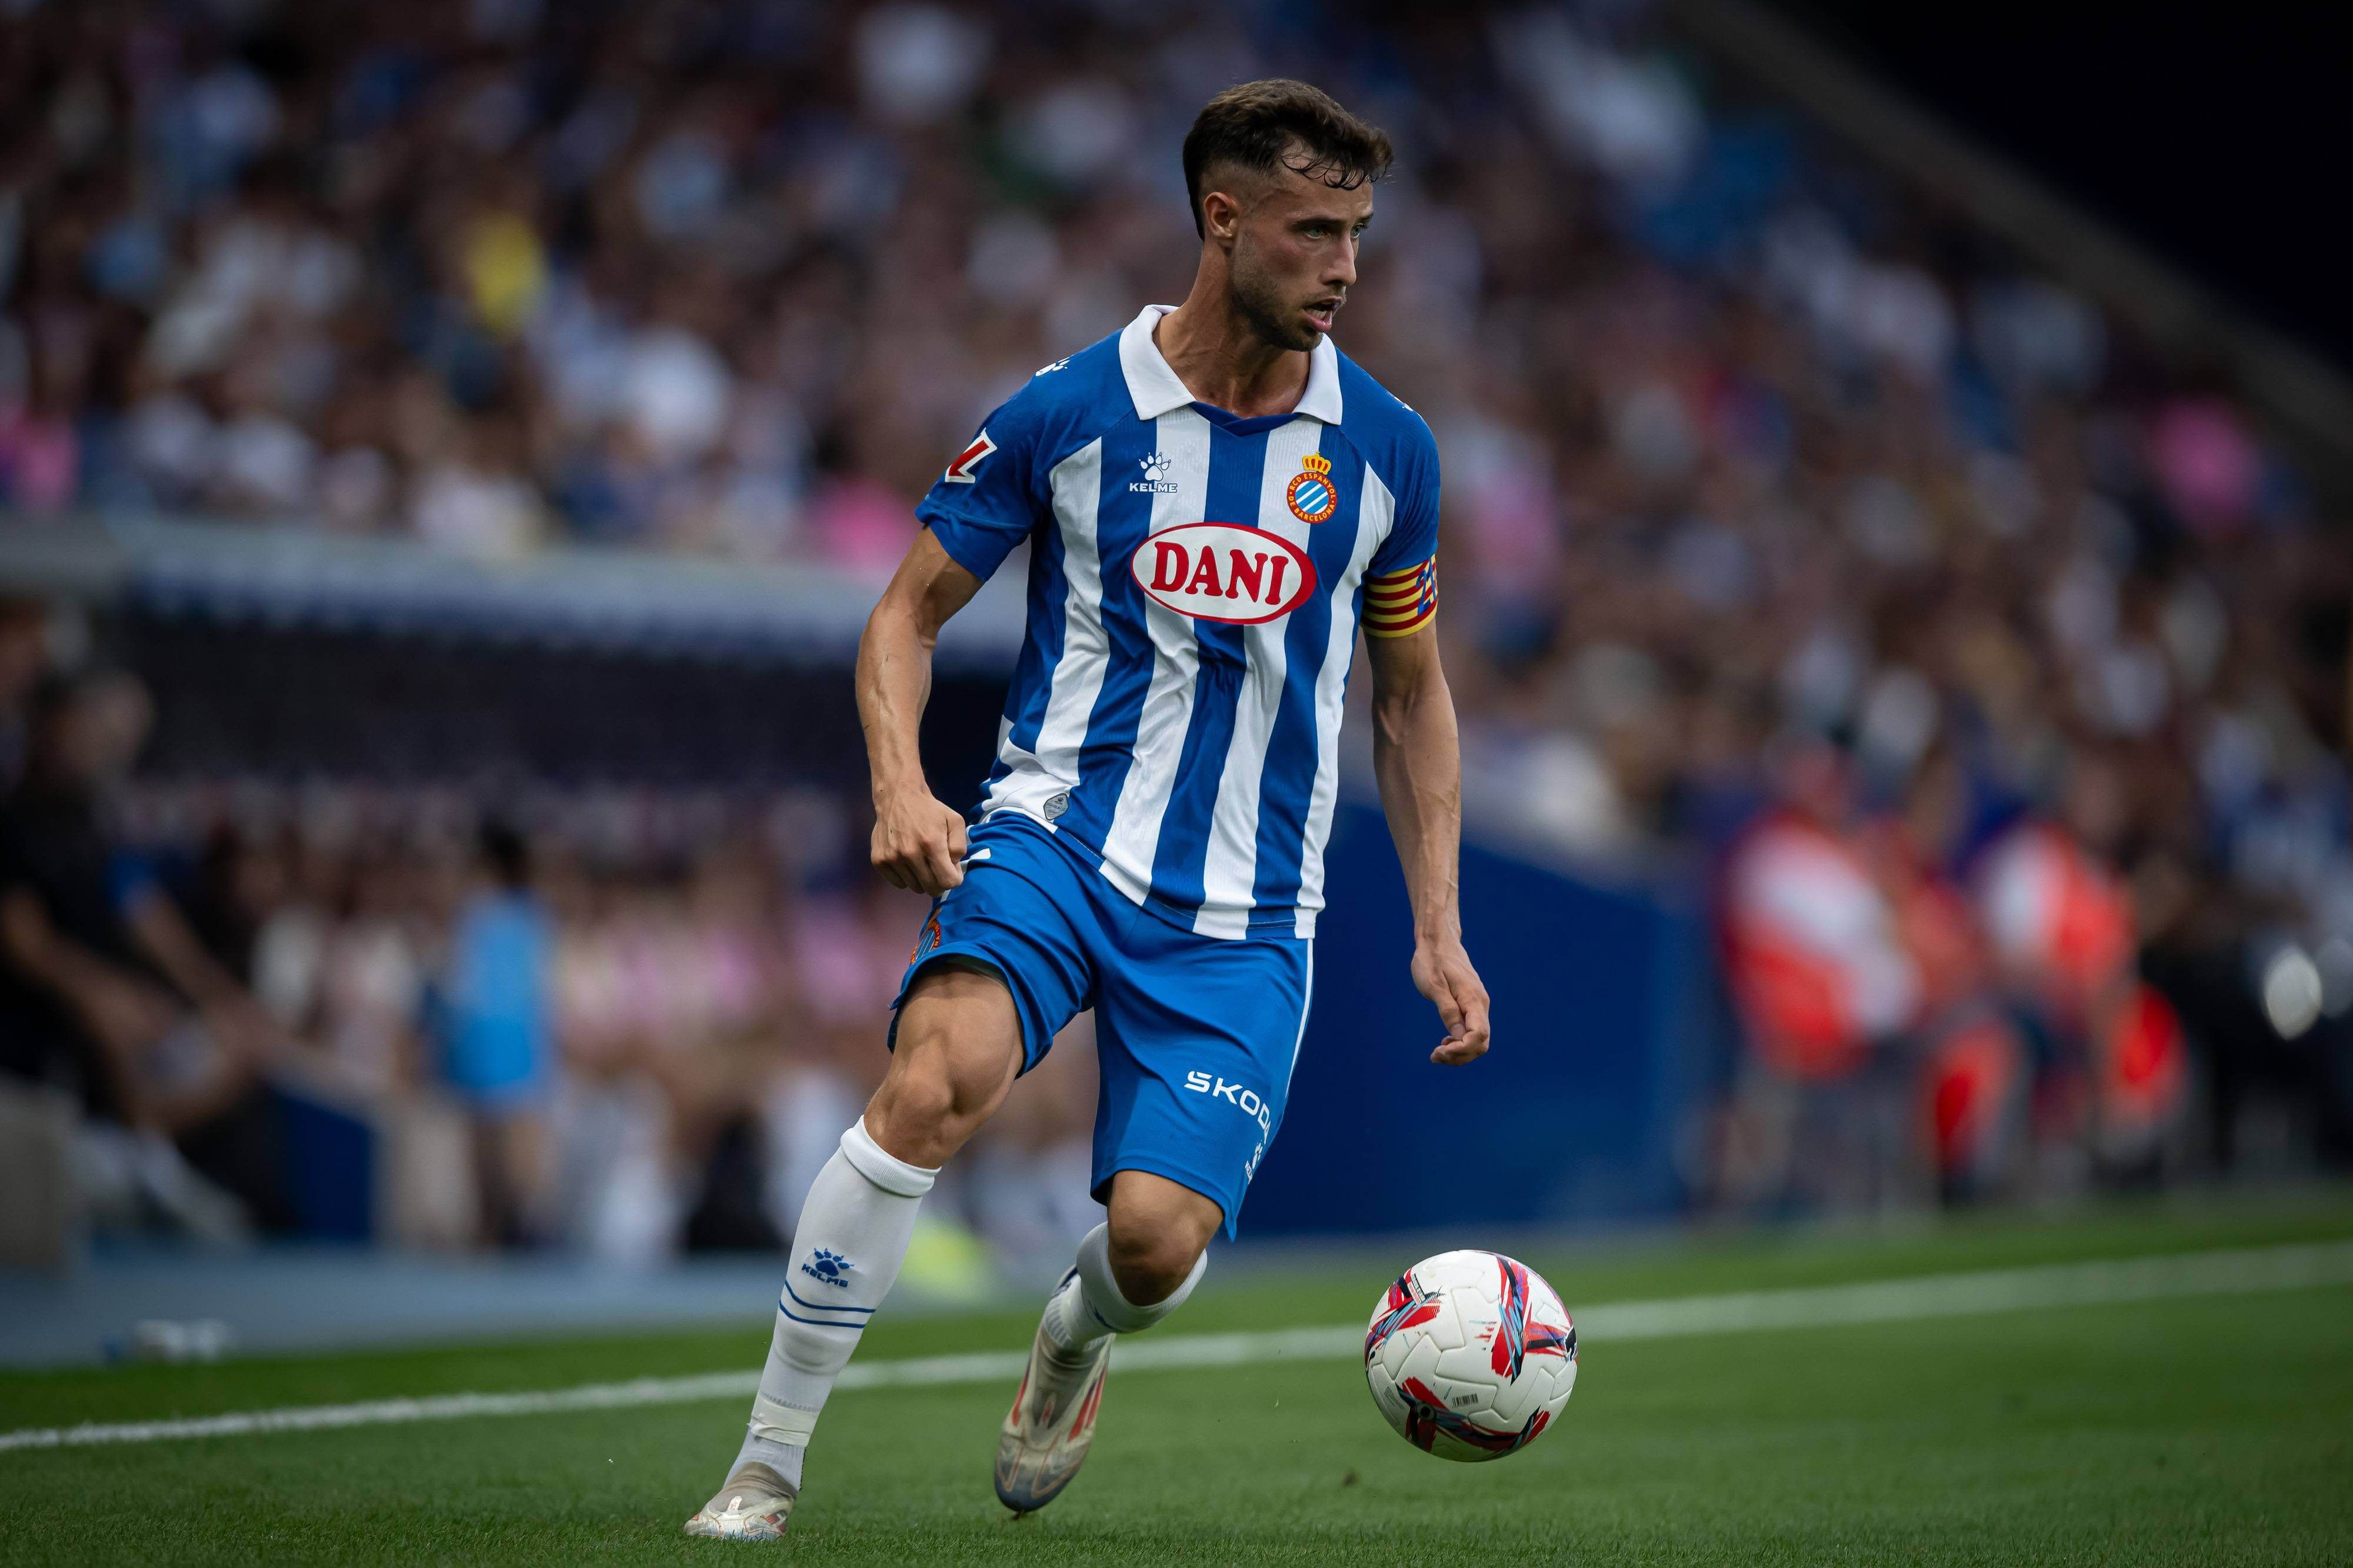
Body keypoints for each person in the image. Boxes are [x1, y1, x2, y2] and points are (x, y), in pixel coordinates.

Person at [686, 80, 1491, 1540]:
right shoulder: (1066, 412)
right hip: (1055, 839)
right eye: (1315, 230)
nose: (1346, 266)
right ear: (1222, 219)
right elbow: (900, 620)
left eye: (1359, 232)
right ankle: (765, 1462)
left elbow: (1409, 694)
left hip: (1246, 914)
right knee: (933, 1082)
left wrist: (1437, 922)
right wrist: (901, 784)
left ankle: (1073, 1336)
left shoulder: (1386, 452)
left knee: (1153, 1238)